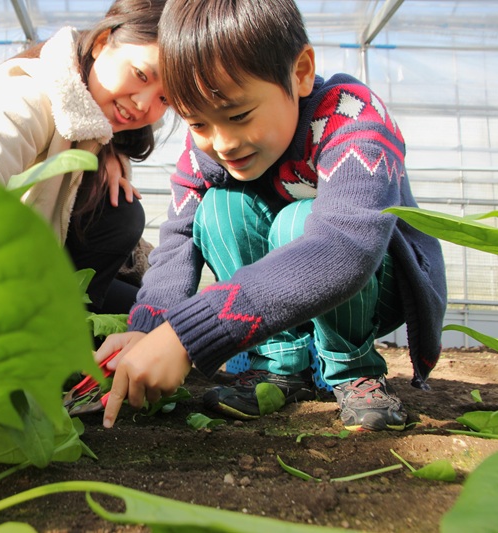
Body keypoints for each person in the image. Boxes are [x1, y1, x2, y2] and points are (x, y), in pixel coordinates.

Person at [96, 0, 447, 432]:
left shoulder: (350, 119)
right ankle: (279, 367)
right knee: (219, 211)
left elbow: (343, 249)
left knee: (298, 223)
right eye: (198, 124)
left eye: (239, 115)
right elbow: (178, 237)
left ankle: (354, 370)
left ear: (300, 73)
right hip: (278, 295)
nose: (222, 143)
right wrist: (150, 327)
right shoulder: (208, 151)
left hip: (377, 279)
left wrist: (189, 335)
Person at [0, 0, 169, 315]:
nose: (143, 104)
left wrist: (108, 152)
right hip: (1, 285)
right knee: (125, 217)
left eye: (164, 98)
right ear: (101, 43)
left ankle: (74, 332)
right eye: (140, 74)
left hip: (51, 279)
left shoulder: (104, 130)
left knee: (147, 315)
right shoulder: (26, 96)